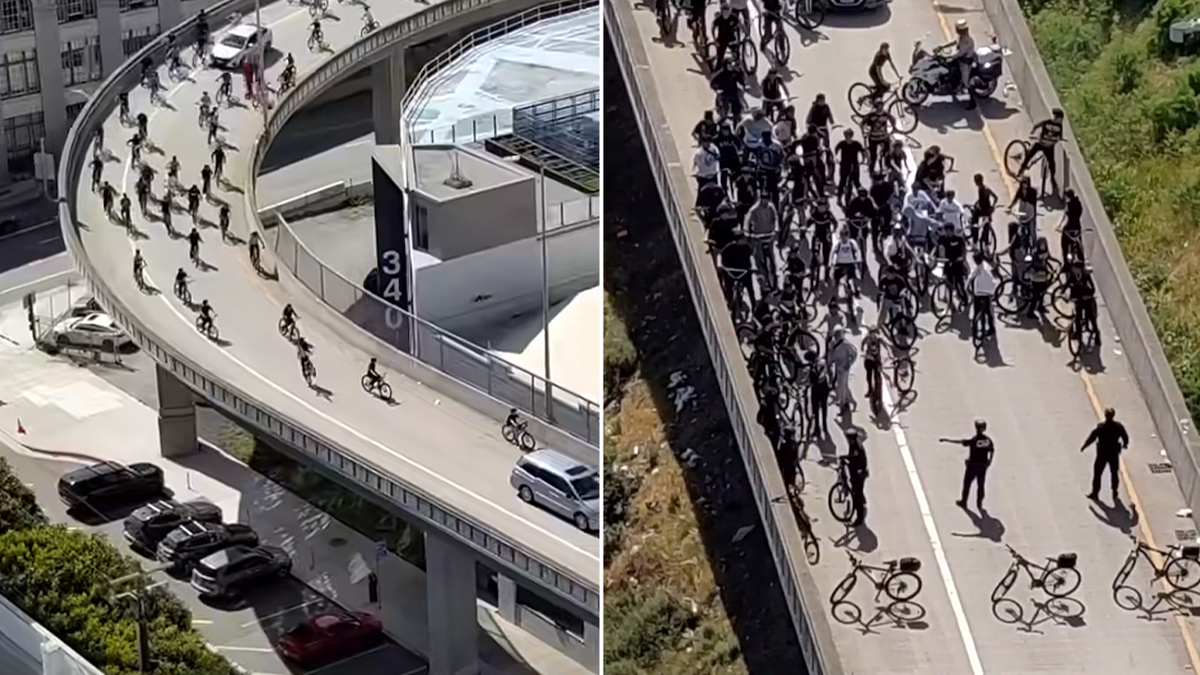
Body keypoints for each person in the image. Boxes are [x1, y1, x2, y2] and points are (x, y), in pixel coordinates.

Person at [939, 419, 994, 510]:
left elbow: (961, 442)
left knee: (967, 483)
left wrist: (947, 440)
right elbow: (992, 450)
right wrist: (989, 461)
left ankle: (964, 501)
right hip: (983, 466)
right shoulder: (988, 440)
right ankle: (979, 503)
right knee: (981, 484)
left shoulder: (974, 440)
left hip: (972, 466)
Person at [1081, 408, 1128, 501]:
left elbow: (1092, 437)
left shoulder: (1101, 427)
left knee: (1097, 473)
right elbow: (1125, 437)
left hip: (1102, 453)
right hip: (1114, 453)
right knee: (1114, 473)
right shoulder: (1118, 426)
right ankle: (1114, 491)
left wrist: (1084, 446)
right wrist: (1125, 444)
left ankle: (1095, 493)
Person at [1018, 108, 1065, 195]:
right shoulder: (1047, 122)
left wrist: (1058, 139)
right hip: (1040, 143)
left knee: (1052, 164)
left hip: (1049, 147)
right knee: (1029, 156)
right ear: (1056, 117)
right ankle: (1021, 170)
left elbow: (1060, 136)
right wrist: (1032, 132)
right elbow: (1037, 125)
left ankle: (1052, 179)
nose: (1061, 121)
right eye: (1060, 118)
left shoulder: (1059, 127)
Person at [943, 19, 977, 109]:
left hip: (965, 62)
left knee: (966, 82)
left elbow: (961, 53)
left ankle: (972, 102)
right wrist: (943, 47)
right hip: (960, 59)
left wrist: (951, 57)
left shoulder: (967, 41)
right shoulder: (960, 37)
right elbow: (954, 42)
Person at [967, 251, 998, 338]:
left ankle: (975, 327)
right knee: (988, 311)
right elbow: (994, 276)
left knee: (977, 311)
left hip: (978, 293)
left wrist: (967, 289)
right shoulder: (987, 266)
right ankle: (991, 328)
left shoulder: (976, 268)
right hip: (988, 293)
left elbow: (969, 279)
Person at [827, 327, 858, 412]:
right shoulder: (833, 343)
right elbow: (831, 354)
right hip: (838, 368)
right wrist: (829, 362)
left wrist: (850, 363)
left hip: (845, 368)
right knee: (842, 386)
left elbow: (854, 353)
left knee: (842, 387)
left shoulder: (846, 344)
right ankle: (851, 400)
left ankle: (842, 405)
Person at [844, 429, 869, 526]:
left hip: (858, 474)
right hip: (857, 473)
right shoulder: (855, 444)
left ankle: (860, 518)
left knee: (856, 494)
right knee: (858, 491)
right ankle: (860, 503)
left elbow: (853, 457)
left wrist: (844, 458)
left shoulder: (856, 447)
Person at [835, 128, 864, 205]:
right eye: (847, 135)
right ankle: (839, 199)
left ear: (852, 135)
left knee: (856, 182)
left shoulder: (856, 144)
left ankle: (862, 198)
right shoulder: (842, 144)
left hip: (854, 165)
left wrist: (864, 159)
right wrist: (837, 158)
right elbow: (836, 151)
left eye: (849, 135)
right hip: (844, 165)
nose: (848, 136)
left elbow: (863, 151)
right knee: (842, 182)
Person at [808, 356, 831, 439]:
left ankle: (817, 428)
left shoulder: (813, 368)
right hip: (824, 387)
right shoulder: (822, 363)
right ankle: (824, 425)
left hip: (816, 389)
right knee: (824, 407)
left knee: (816, 409)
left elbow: (812, 380)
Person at [862, 328, 884, 411]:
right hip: (869, 360)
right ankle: (870, 390)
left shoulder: (879, 339)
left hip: (876, 360)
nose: (874, 335)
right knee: (869, 376)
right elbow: (863, 342)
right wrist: (862, 348)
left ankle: (876, 392)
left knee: (876, 376)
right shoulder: (867, 338)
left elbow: (884, 344)